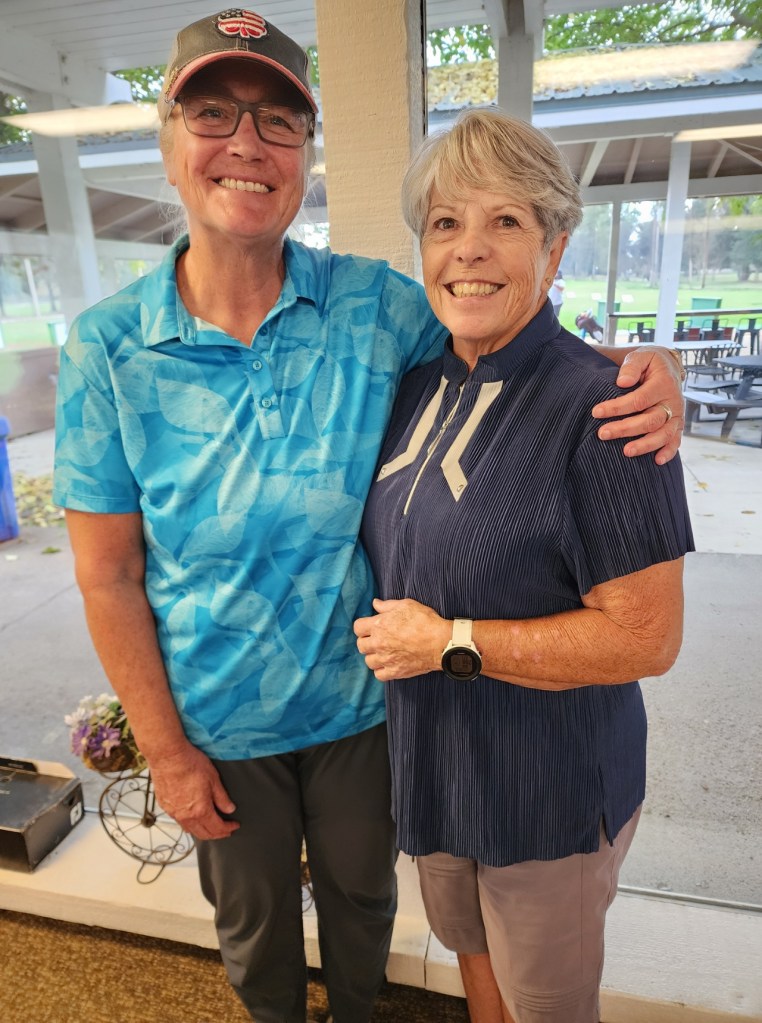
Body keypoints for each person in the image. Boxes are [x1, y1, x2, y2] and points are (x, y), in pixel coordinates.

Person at [53, 10, 686, 1023]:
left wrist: (650, 369)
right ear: (168, 145)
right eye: (212, 114)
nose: (246, 144)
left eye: (277, 122)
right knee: (255, 928)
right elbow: (107, 573)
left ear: (305, 156)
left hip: (372, 710)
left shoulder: (375, 306)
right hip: (221, 717)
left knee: (365, 909)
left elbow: (505, 322)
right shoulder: (107, 348)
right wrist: (165, 750)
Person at [354, 109, 693, 1023]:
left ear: (555, 245)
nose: (469, 249)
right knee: (472, 961)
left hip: (547, 793)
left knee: (547, 1003)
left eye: (505, 220)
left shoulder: (608, 411)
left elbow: (647, 638)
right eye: (445, 222)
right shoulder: (414, 387)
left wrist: (449, 641)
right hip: (437, 768)